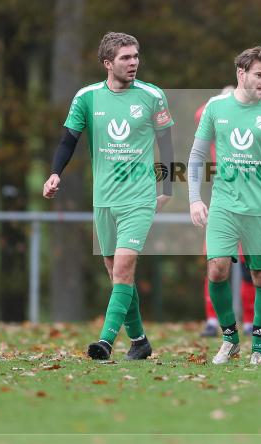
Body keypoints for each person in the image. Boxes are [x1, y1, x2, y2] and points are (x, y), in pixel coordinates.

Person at [43, 32, 174, 361]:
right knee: (118, 276)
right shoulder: (87, 98)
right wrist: (55, 172)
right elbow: (68, 140)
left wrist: (167, 187)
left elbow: (167, 144)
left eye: (135, 56)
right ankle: (140, 341)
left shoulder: (152, 96)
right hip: (104, 199)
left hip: (139, 197)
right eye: (125, 58)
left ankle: (104, 342)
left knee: (124, 268)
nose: (133, 63)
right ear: (107, 63)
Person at [188, 46, 261, 365]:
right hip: (224, 205)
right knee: (217, 270)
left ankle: (258, 349)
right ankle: (230, 339)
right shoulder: (216, 108)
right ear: (241, 74)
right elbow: (196, 156)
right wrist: (194, 198)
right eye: (259, 75)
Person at [195, 87, 256, 338]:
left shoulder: (252, 124)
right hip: (224, 203)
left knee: (248, 267)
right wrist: (222, 98)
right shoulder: (217, 126)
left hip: (252, 204)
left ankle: (250, 322)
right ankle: (213, 321)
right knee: (215, 264)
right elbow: (200, 114)